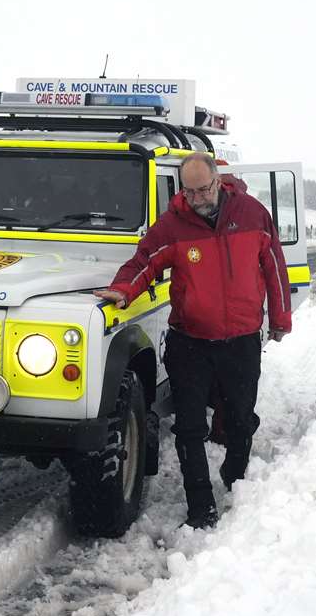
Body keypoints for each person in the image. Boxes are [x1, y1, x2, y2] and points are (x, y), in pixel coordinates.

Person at [93, 151, 291, 529]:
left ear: (219, 181)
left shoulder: (252, 214)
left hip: (242, 339)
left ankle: (236, 481)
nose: (198, 198)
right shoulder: (174, 224)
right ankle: (200, 506)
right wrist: (123, 290)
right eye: (191, 191)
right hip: (191, 342)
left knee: (239, 419)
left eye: (204, 189)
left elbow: (275, 268)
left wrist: (280, 318)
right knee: (188, 427)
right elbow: (144, 261)